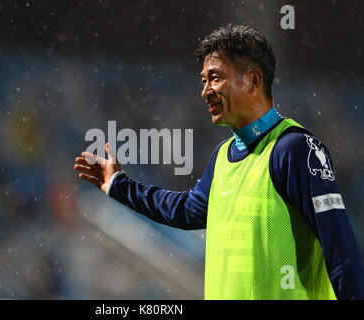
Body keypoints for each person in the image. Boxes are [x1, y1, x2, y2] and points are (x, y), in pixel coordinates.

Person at [74, 24, 364, 300]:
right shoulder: (223, 157)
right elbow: (186, 211)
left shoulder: (294, 149)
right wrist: (117, 185)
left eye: (214, 78)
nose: (205, 90)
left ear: (252, 79)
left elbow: (340, 250)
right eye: (203, 81)